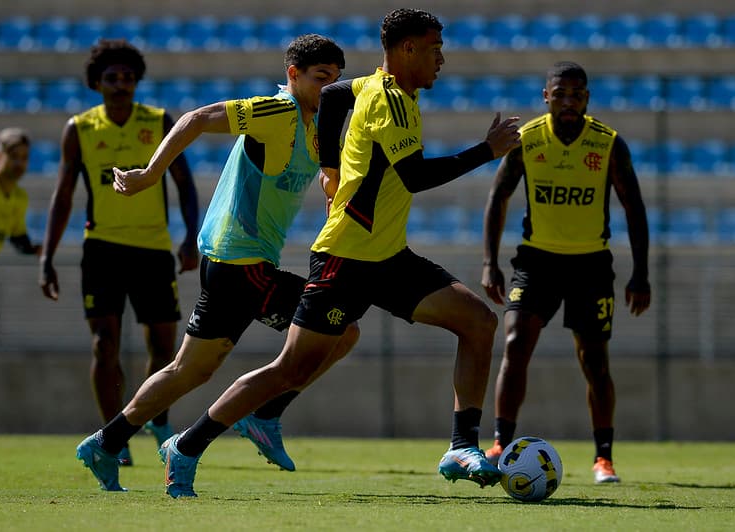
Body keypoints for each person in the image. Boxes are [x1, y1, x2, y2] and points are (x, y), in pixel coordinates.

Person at [157, 8, 522, 499]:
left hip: (388, 257)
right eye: (434, 48)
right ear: (407, 49)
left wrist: (329, 167)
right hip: (345, 259)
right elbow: (414, 177)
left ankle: (461, 446)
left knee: (477, 322)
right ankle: (186, 446)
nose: (442, 59)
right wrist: (486, 150)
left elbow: (332, 95)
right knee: (290, 370)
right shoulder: (390, 101)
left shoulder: (372, 86)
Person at [74, 33, 357, 493]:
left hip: (235, 262)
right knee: (341, 331)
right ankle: (256, 419)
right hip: (241, 261)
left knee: (189, 370)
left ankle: (105, 443)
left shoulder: (315, 126)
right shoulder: (277, 111)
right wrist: (151, 173)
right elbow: (197, 118)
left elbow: (328, 180)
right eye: (320, 78)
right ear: (293, 74)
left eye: (335, 80)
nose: (328, 89)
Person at [481, 61, 651, 484]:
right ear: (546, 97)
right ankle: (500, 443)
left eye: (577, 95)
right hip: (536, 261)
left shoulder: (607, 143)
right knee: (515, 342)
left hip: (590, 264)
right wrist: (490, 262)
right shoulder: (528, 140)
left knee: (594, 362)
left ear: (587, 98)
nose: (569, 102)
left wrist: (640, 273)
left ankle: (603, 457)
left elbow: (633, 207)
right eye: (560, 94)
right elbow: (498, 197)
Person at [39, 39, 200, 467]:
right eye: (112, 77)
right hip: (102, 251)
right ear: (97, 83)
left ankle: (156, 419)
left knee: (164, 347)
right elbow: (63, 195)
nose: (121, 84)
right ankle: (114, 437)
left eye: (128, 77)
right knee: (103, 345)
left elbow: (184, 184)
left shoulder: (158, 121)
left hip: (153, 249)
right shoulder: (79, 128)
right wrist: (47, 257)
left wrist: (190, 237)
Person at [0, 128, 42, 367]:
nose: (19, 163)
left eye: (24, 158)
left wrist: (35, 249)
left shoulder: (19, 198)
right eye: (14, 156)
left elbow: (18, 238)